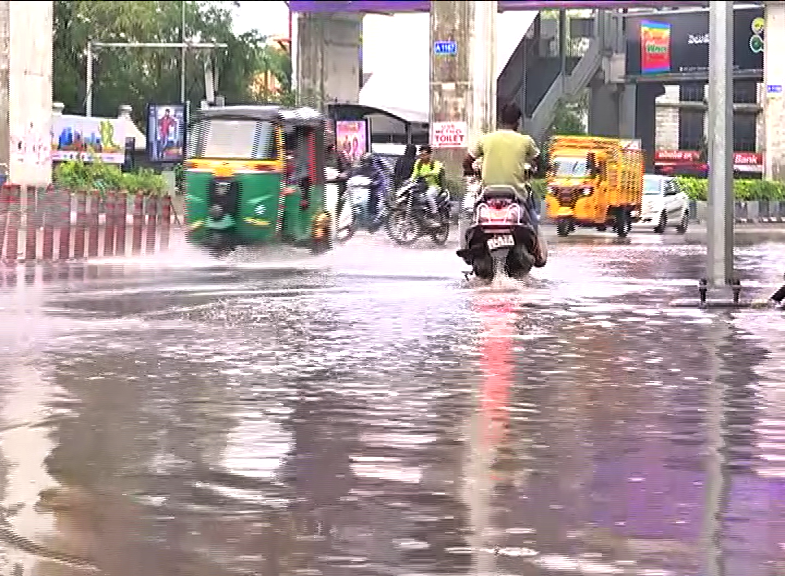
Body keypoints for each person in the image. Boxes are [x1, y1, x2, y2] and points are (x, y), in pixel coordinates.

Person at [463, 102, 544, 264]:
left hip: (487, 193)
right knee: (533, 215)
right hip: (517, 194)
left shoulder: (485, 139)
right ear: (518, 123)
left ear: (500, 120)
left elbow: (466, 161)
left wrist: (472, 172)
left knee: (470, 215)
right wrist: (534, 171)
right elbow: (539, 162)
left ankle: (467, 246)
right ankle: (538, 251)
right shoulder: (525, 141)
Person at [410, 145, 446, 227]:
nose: (422, 156)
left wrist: (427, 174)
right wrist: (410, 181)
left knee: (429, 195)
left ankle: (435, 214)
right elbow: (414, 174)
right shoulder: (418, 163)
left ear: (429, 154)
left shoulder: (435, 163)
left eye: (424, 154)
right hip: (422, 186)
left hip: (434, 186)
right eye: (421, 154)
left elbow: (436, 171)